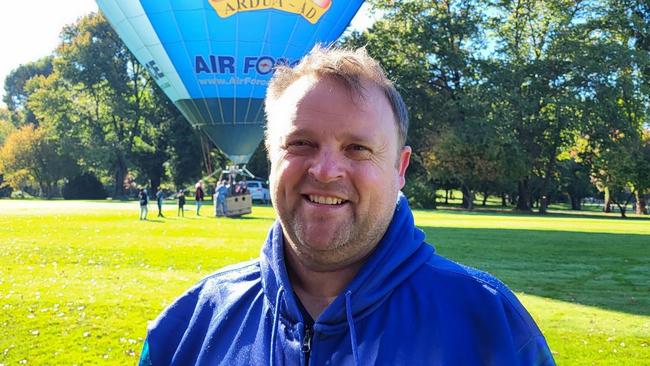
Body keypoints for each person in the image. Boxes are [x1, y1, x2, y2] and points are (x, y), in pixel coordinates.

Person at [138, 46, 555, 365]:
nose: (324, 170)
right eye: (301, 143)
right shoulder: (188, 328)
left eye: (357, 148)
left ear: (399, 167)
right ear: (270, 155)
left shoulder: (490, 327)